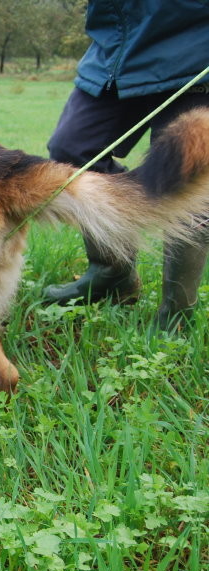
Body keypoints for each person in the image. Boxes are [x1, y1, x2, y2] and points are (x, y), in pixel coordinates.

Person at [42, 1, 209, 330]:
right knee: (71, 149)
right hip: (112, 52)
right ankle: (112, 271)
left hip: (194, 51)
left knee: (186, 177)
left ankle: (177, 313)